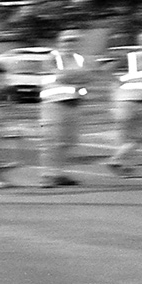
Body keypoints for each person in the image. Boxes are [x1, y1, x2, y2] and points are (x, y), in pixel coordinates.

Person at [106, 29, 142, 177]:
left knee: (129, 137)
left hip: (133, 102)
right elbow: (106, 70)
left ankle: (121, 165)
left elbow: (106, 70)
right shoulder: (134, 57)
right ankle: (116, 160)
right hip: (134, 103)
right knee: (140, 137)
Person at [38, 30, 91, 188]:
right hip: (53, 104)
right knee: (52, 141)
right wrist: (77, 75)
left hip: (73, 104)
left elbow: (86, 80)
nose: (70, 43)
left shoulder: (80, 59)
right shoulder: (52, 57)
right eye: (67, 41)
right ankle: (47, 175)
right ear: (59, 42)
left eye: (73, 41)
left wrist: (81, 90)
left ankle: (58, 174)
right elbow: (60, 77)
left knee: (69, 141)